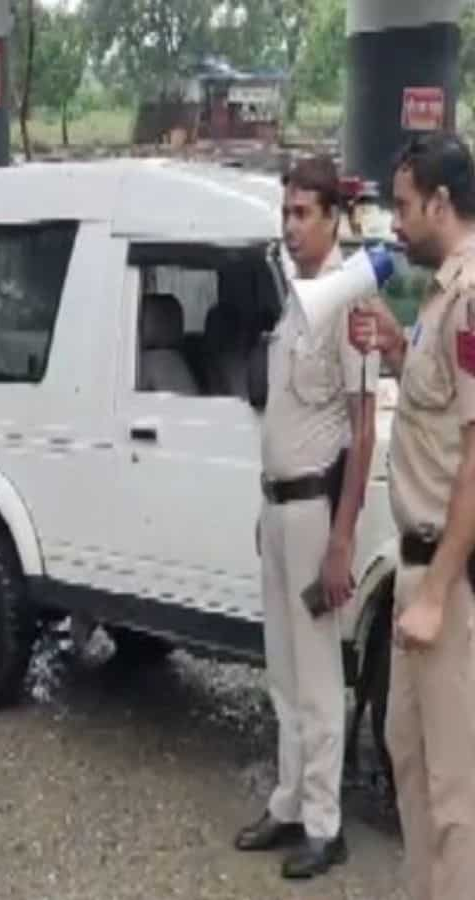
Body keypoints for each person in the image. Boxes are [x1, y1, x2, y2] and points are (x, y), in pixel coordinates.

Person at [235, 156, 380, 879]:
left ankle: (326, 824)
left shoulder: (350, 302)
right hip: (279, 505)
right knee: (283, 671)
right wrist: (266, 508)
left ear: (332, 218)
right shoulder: (299, 298)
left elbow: (363, 428)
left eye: (303, 214)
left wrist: (343, 537)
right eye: (285, 213)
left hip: (319, 511)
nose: (290, 226)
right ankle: (289, 802)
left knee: (320, 678)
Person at [350, 132, 475, 900]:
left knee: (456, 788)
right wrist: (401, 349)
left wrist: (435, 594)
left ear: (439, 201)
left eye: (402, 206)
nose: (393, 223)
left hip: (449, 584)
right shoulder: (438, 297)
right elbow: (439, 401)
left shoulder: (470, 297)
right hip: (420, 569)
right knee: (409, 753)